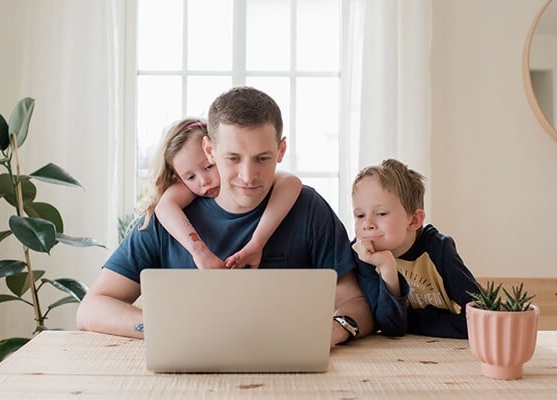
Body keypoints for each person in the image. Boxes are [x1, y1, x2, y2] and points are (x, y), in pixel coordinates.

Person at [77, 86, 374, 346]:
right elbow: (92, 308)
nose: (248, 176)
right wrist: (161, 329)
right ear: (209, 150)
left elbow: (354, 302)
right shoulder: (167, 220)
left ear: (281, 150)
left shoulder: (308, 208)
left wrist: (334, 332)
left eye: (263, 158)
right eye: (233, 158)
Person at [137, 117, 302, 269]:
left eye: (208, 167)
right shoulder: (186, 189)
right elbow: (164, 206)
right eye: (190, 177)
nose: (203, 181)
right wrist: (199, 251)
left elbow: (291, 182)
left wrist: (257, 243)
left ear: (214, 153)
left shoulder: (249, 179)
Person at [351, 158, 478, 339]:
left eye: (381, 213)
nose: (367, 224)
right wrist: (387, 267)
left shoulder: (439, 249)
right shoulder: (363, 256)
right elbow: (390, 327)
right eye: (360, 215)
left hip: (450, 351)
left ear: (414, 220)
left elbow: (480, 317)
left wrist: (413, 321)